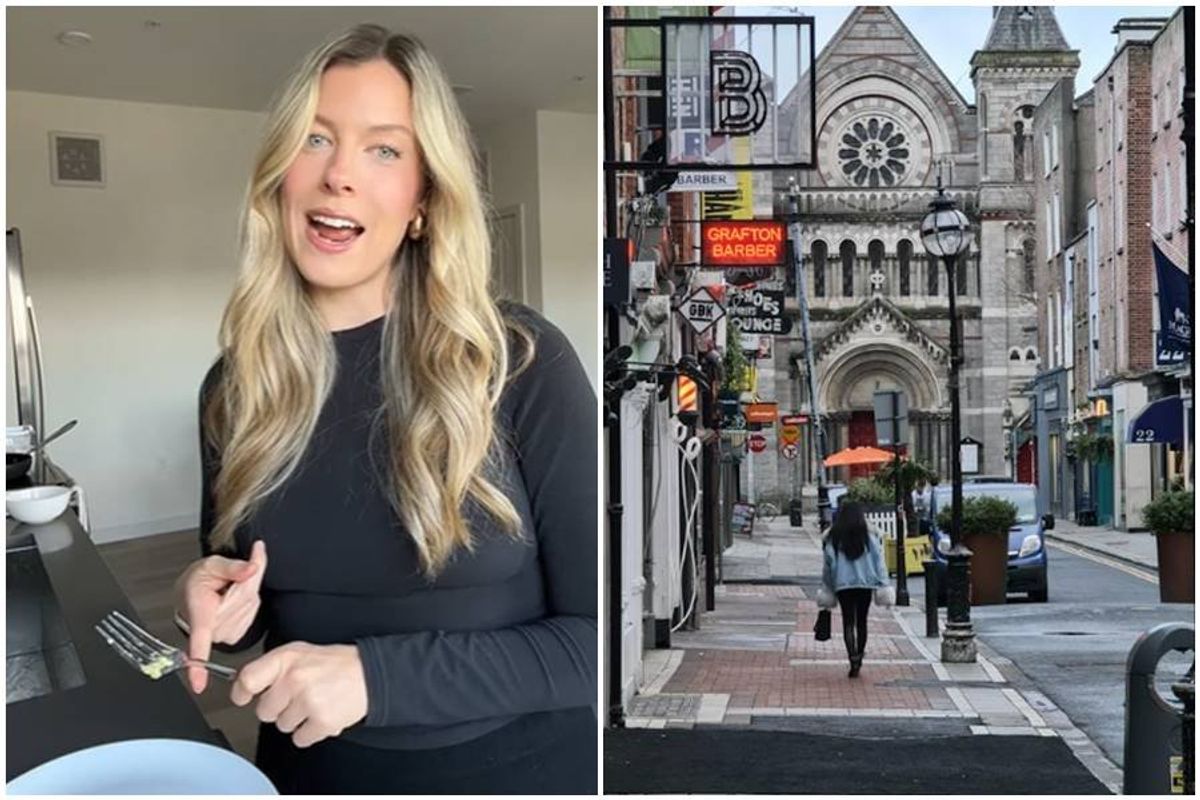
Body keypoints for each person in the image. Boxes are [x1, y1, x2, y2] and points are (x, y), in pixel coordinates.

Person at [171, 24, 596, 794]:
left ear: (424, 201)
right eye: (315, 139)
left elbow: (599, 644)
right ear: (279, 175)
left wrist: (380, 679)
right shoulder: (234, 390)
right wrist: (209, 594)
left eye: (384, 149)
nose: (340, 175)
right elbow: (260, 614)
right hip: (311, 777)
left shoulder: (523, 362)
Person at [820, 501, 889, 678]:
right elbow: (879, 562)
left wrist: (827, 588)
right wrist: (883, 583)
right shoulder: (869, 537)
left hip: (843, 585)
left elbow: (828, 566)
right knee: (862, 621)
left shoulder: (833, 538)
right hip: (865, 584)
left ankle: (852, 658)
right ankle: (860, 654)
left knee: (848, 622)